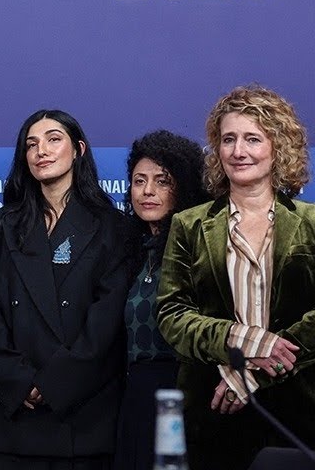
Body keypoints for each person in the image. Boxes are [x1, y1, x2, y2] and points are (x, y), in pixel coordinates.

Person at [156, 86, 315, 470]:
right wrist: (244, 339)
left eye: (252, 138)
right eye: (228, 139)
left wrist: (252, 376)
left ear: (277, 146)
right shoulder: (189, 225)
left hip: (306, 409)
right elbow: (172, 314)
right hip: (214, 409)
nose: (238, 151)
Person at [0, 109, 129, 470]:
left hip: (84, 416)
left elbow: (107, 319)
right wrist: (20, 381)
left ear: (79, 150)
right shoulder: (0, 228)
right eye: (31, 144)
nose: (41, 150)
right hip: (11, 415)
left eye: (54, 139)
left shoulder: (113, 229)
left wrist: (56, 383)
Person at [112, 130, 210, 470]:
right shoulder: (131, 253)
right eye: (139, 181)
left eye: (162, 181)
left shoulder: (200, 248)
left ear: (183, 188)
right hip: (136, 395)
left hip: (185, 393)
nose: (147, 191)